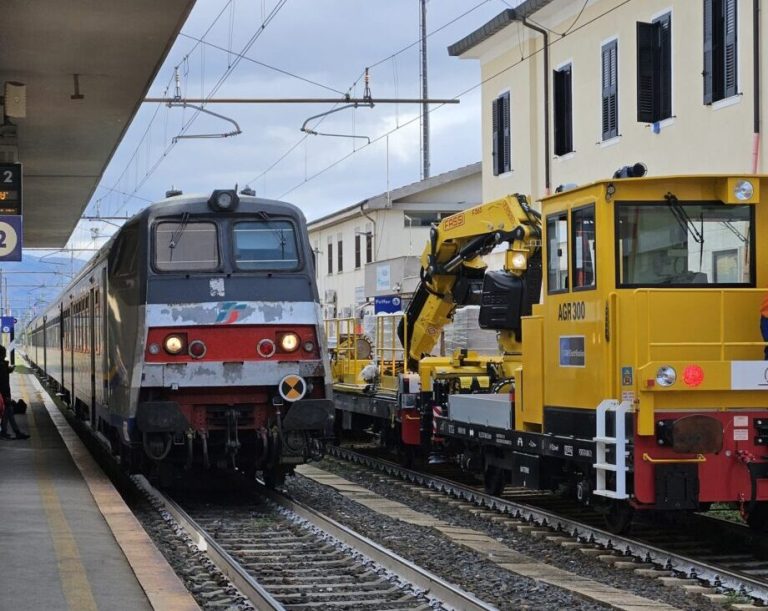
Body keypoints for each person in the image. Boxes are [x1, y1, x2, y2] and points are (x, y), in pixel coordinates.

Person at [0, 345, 28, 440]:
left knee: (8, 412)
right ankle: (13, 432)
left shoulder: (2, 365)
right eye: (3, 353)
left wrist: (9, 369)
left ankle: (8, 432)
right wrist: (6, 396)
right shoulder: (1, 365)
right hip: (4, 394)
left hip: (4, 394)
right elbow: (3, 381)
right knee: (8, 411)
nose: (4, 355)